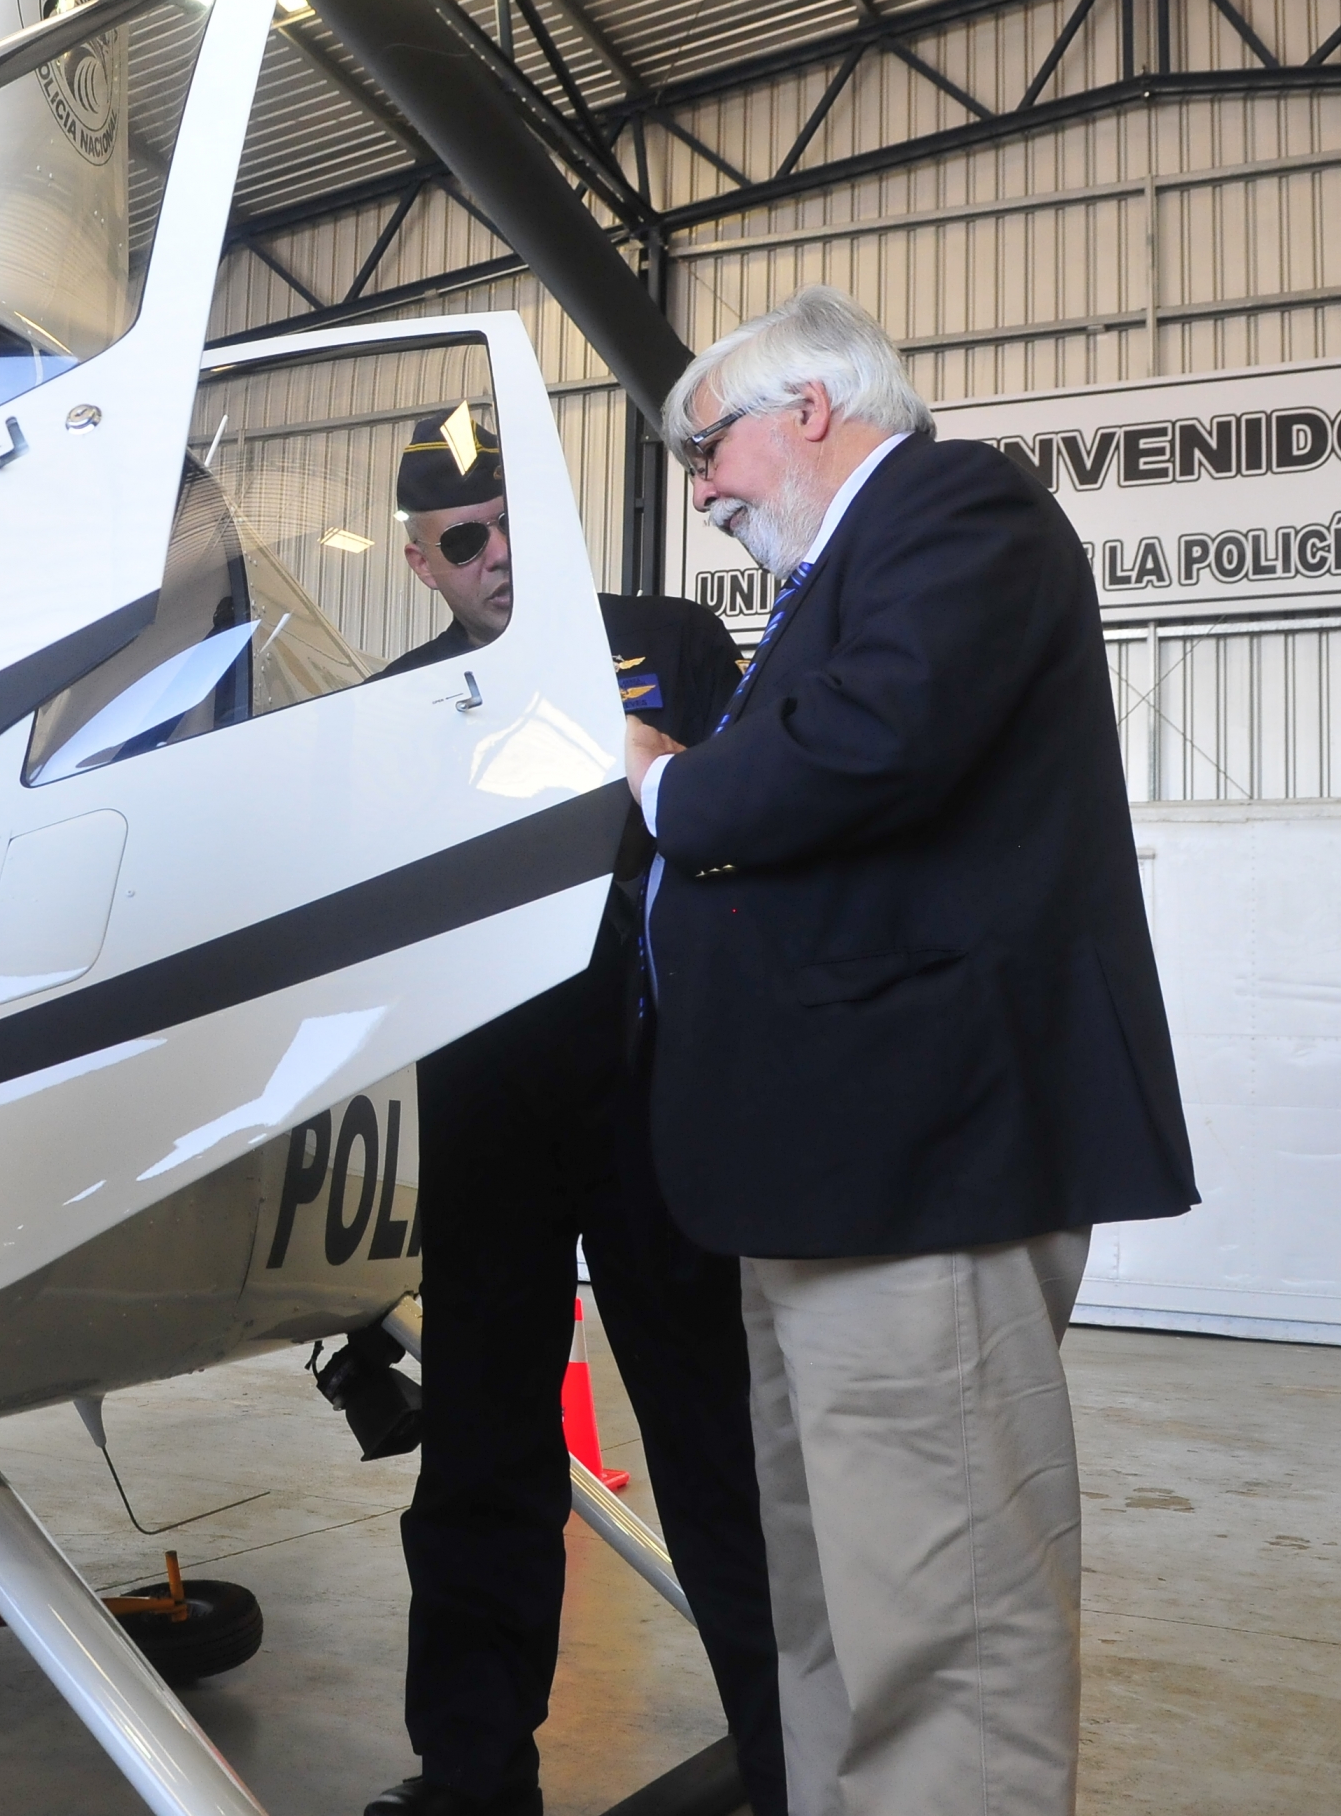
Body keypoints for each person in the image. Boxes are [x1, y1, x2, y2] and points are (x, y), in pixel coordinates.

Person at [623, 287, 1199, 1816]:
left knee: (944, 1620)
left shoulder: (958, 505)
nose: (703, 488)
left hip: (915, 1168)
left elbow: (875, 741)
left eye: (709, 447)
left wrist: (664, 784)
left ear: (808, 407)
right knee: (840, 1604)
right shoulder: (836, 579)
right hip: (820, 1178)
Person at [368, 407, 790, 1816]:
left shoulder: (669, 640)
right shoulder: (398, 700)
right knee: (485, 1452)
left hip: (654, 1092)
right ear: (425, 559)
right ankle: (474, 1776)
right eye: (469, 539)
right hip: (489, 1112)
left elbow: (741, 817)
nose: (502, 557)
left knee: (714, 1437)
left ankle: (801, 1760)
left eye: (518, 525)